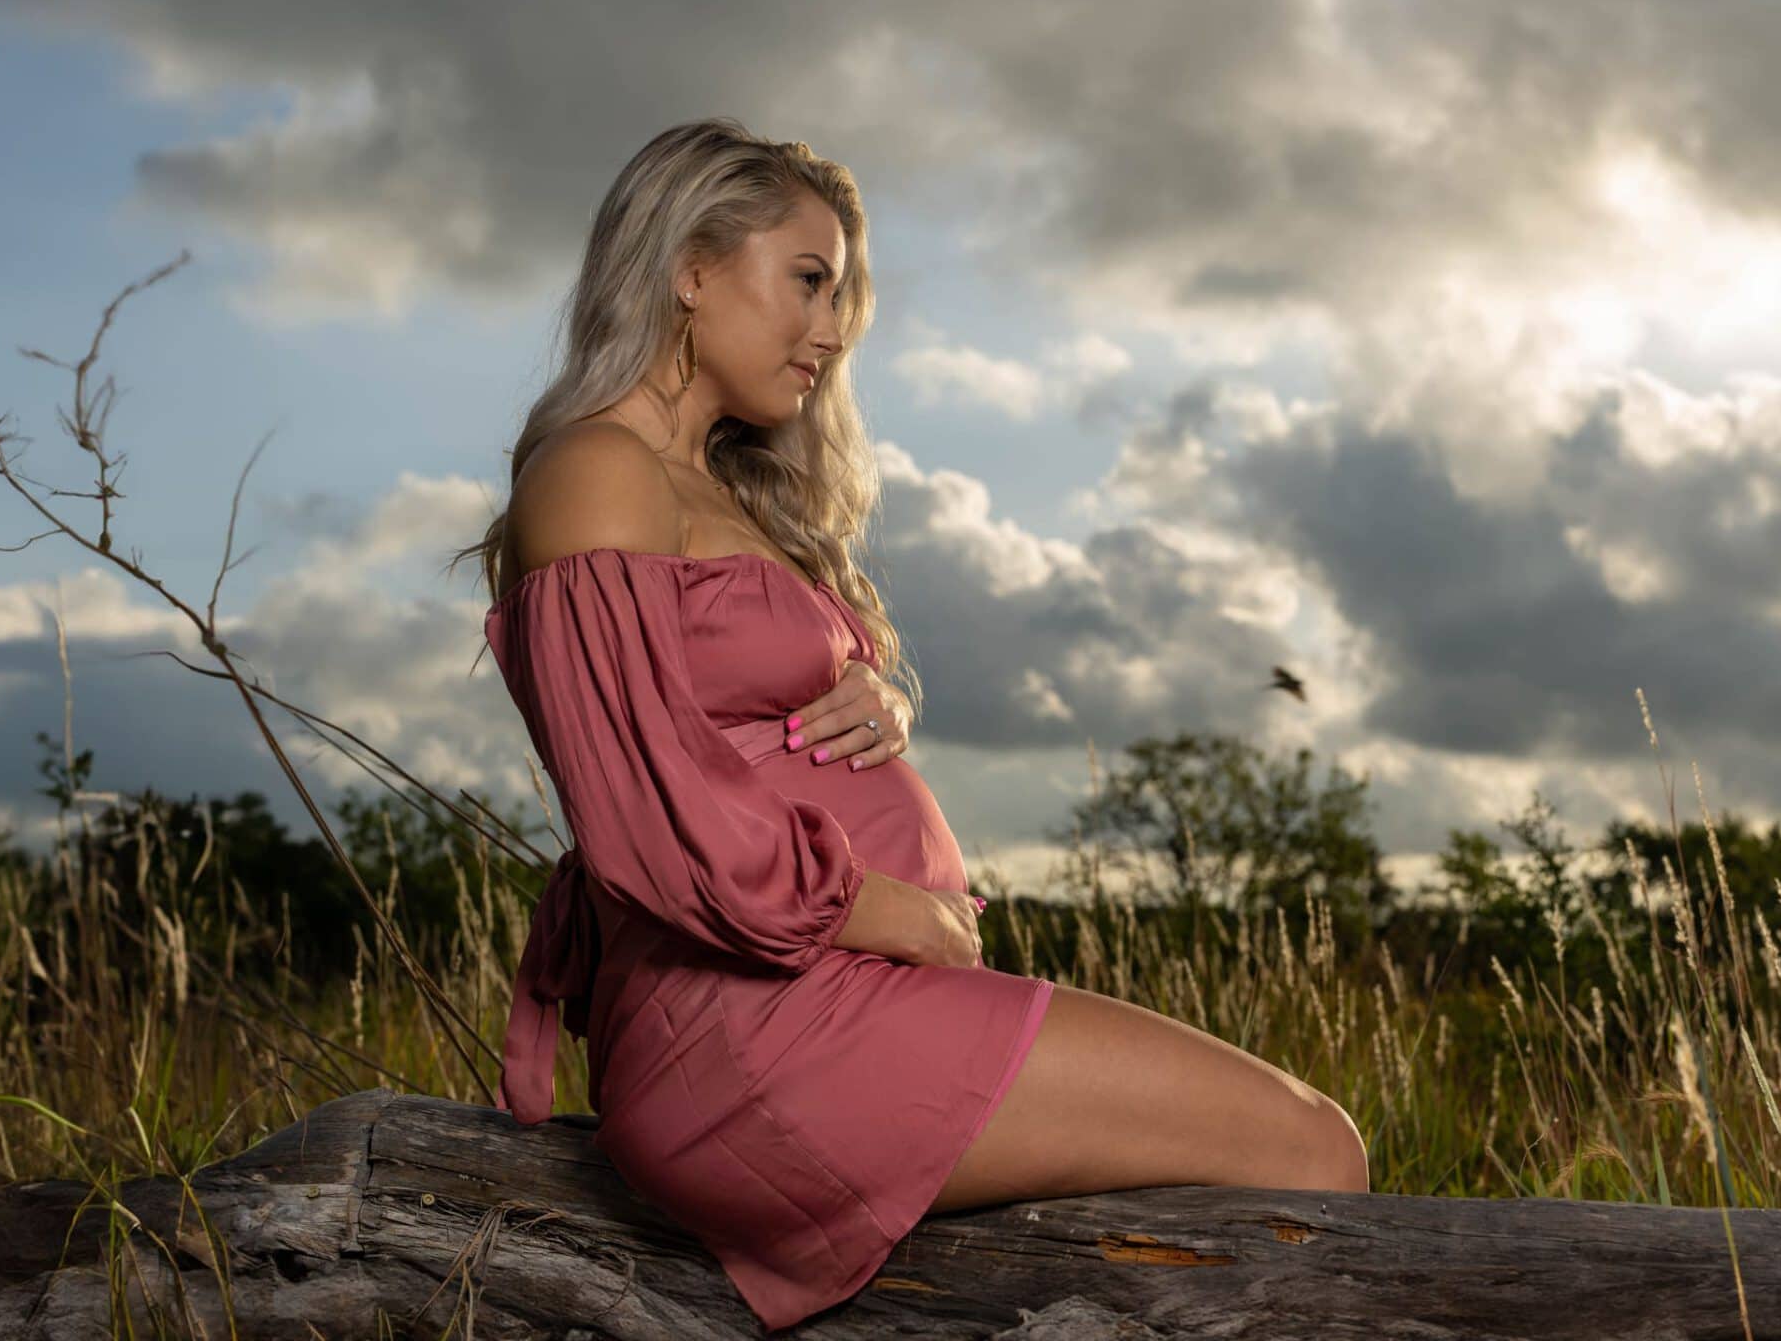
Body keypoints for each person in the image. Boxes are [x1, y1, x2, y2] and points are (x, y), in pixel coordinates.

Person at [460, 118, 1368, 1333]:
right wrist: (881, 909)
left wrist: (874, 691)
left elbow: (730, 696)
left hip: (814, 1006)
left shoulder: (708, 487)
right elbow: (640, 816)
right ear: (687, 266)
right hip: (762, 1028)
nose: (831, 331)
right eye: (808, 280)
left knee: (1287, 1164)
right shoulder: (595, 469)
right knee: (1309, 1151)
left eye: (842, 296)